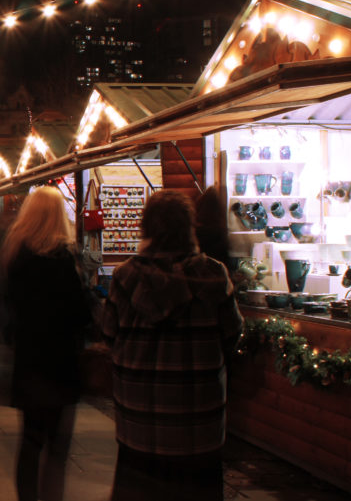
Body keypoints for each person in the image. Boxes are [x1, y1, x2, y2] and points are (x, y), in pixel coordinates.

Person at [103, 190, 243, 501]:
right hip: (198, 419)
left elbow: (110, 334)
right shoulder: (214, 274)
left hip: (140, 418)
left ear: (147, 227)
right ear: (189, 227)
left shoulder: (125, 276)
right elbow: (232, 334)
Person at [0, 186, 92, 501]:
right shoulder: (65, 258)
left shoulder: (16, 255)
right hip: (60, 361)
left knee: (30, 440)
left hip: (28, 360)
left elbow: (11, 307)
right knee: (57, 444)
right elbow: (80, 312)